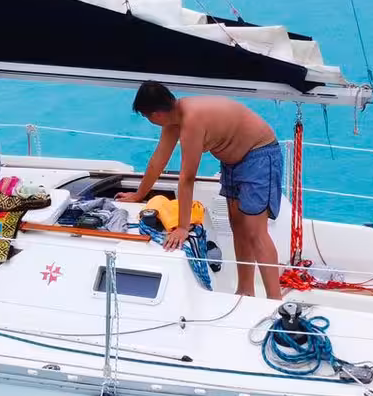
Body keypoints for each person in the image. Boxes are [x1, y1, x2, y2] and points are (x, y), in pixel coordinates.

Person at [119, 81, 284, 298]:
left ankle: (275, 301)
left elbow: (187, 178)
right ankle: (245, 291)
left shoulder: (191, 119)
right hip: (233, 163)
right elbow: (158, 160)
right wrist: (139, 194)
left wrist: (182, 227)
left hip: (259, 155)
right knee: (239, 227)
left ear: (156, 114)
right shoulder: (174, 121)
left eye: (146, 116)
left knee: (255, 232)